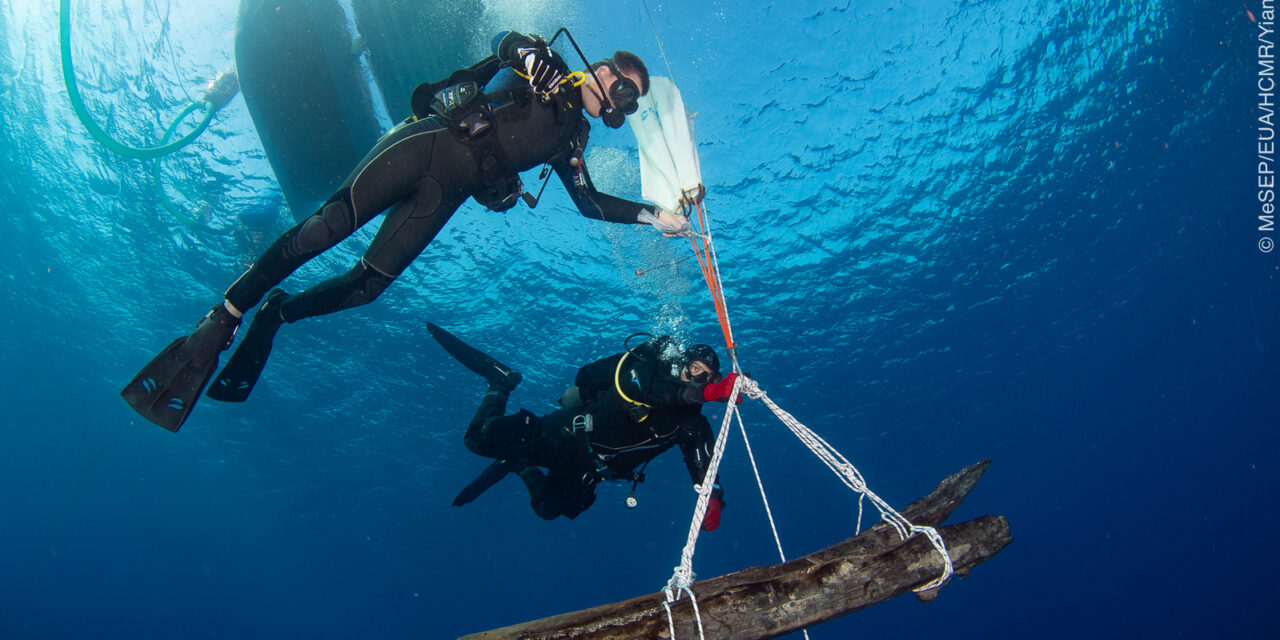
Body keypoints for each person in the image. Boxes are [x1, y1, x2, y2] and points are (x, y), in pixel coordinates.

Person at [123, 30, 690, 431]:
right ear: (603, 69)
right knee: (326, 228)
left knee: (369, 286)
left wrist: (653, 217)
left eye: (631, 95)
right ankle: (225, 314)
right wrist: (524, 52)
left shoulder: (573, 141)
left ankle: (277, 312)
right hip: (426, 146)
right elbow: (503, 43)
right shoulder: (542, 62)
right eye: (621, 79)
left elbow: (589, 204)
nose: (621, 92)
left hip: (443, 193)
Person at [427, 323, 740, 527]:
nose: (701, 380)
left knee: (550, 509)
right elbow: (647, 389)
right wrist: (712, 391)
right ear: (681, 364)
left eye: (709, 378)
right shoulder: (647, 373)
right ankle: (501, 381)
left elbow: (704, 462)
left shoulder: (690, 423)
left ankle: (519, 464)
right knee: (475, 440)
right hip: (558, 435)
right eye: (696, 369)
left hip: (587, 464)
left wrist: (713, 498)